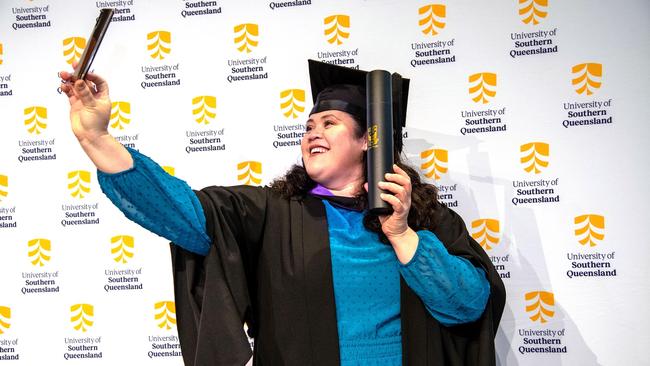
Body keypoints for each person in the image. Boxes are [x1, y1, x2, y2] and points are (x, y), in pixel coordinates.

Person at [59, 60, 506, 366]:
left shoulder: (426, 220)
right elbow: (180, 212)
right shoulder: (271, 213)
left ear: (368, 140)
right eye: (309, 125)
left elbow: (466, 306)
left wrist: (402, 233)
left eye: (330, 124)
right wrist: (97, 139)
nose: (313, 132)